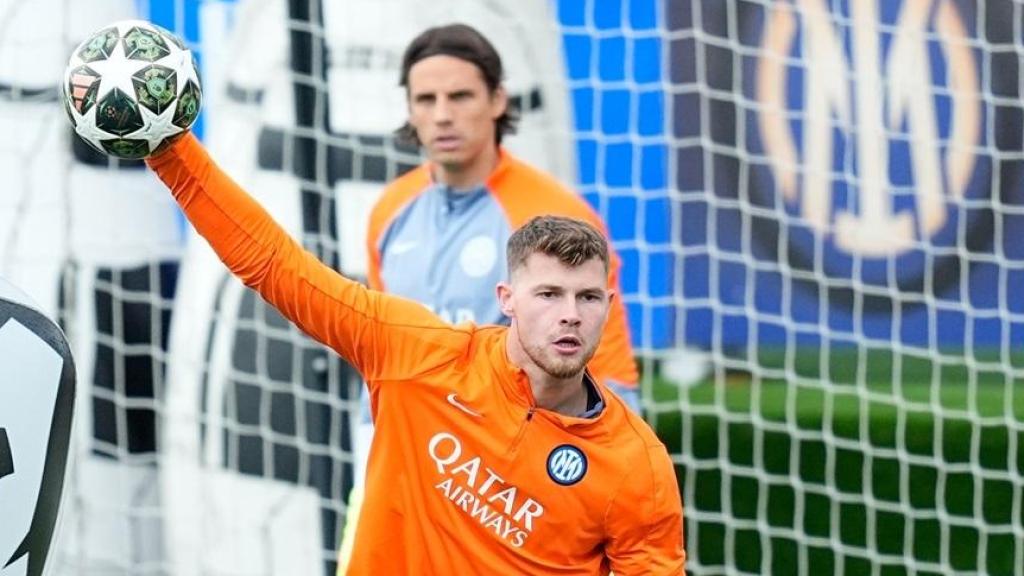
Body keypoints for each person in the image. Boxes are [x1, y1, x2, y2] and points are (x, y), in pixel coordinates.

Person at [145, 133, 686, 573]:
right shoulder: (416, 351)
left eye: (587, 297)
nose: (570, 313)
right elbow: (275, 265)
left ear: (607, 306)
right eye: (549, 294)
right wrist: (171, 154)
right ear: (508, 300)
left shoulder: (637, 465)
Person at [340, 23, 644, 567]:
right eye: (425, 99)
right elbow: (381, 354)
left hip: (497, 493)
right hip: (392, 470)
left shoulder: (555, 218)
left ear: (497, 100)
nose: (442, 115)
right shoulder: (390, 211)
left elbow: (613, 380)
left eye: (460, 96)